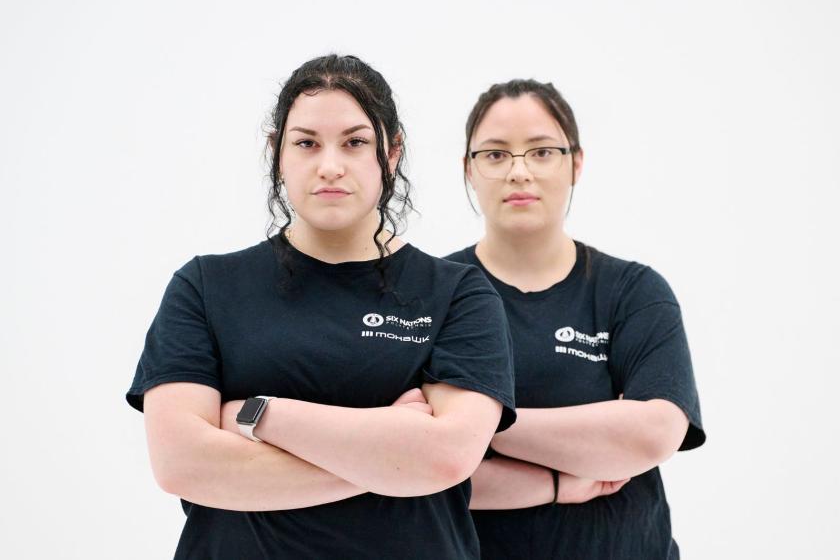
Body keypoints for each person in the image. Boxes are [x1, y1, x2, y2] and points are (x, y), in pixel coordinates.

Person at [126, 54, 517, 560]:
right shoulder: (206, 286)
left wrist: (259, 416)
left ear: (391, 153)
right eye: (307, 143)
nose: (330, 165)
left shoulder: (458, 294)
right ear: (278, 153)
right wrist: (388, 458)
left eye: (355, 142)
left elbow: (444, 459)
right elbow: (182, 464)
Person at [445, 79, 706, 559]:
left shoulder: (633, 292)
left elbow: (653, 433)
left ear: (575, 164)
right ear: (469, 170)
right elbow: (410, 470)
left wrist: (472, 429)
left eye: (542, 152)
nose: (518, 172)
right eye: (496, 154)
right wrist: (562, 475)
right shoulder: (432, 296)